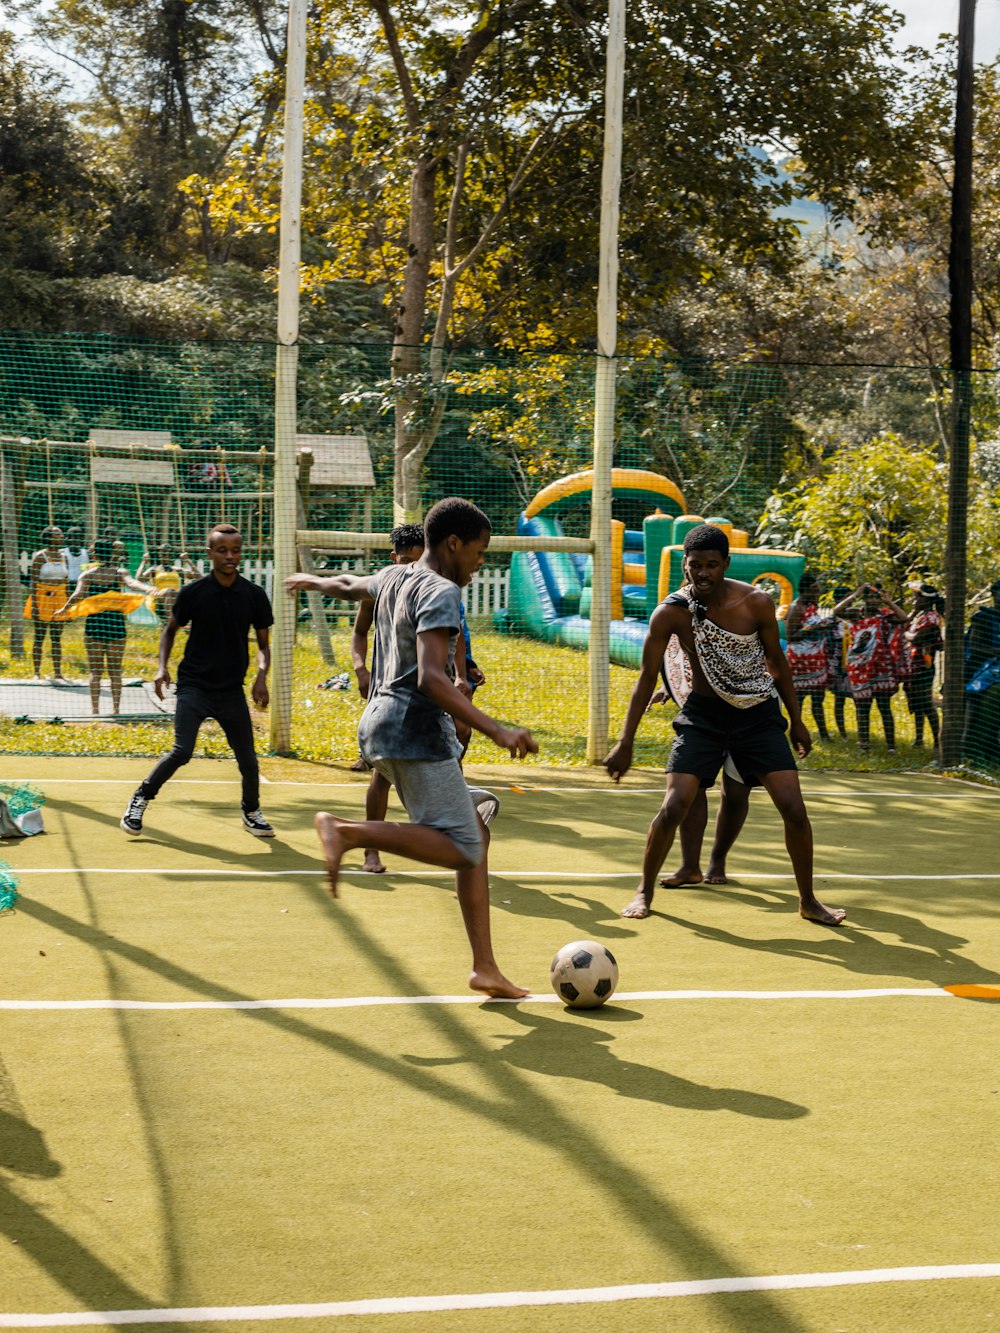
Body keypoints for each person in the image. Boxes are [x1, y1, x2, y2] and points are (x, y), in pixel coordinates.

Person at [285, 496, 536, 999]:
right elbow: (429, 678)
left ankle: (485, 967)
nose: (481, 563)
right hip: (414, 729)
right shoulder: (442, 591)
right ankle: (347, 831)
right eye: (480, 552)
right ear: (454, 543)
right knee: (463, 846)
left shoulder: (392, 577)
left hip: (376, 725)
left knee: (477, 826)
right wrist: (496, 729)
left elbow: (347, 585)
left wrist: (312, 582)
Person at [603, 523, 844, 927]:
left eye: (712, 565)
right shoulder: (671, 613)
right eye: (695, 565)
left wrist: (797, 721)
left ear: (726, 564)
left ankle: (808, 900)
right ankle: (643, 890)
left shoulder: (756, 603)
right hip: (703, 717)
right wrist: (625, 741)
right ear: (684, 564)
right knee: (675, 804)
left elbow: (777, 663)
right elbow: (647, 675)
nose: (703, 573)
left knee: (794, 808)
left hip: (758, 715)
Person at [119, 524, 275, 837]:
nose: (230, 556)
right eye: (222, 550)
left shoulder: (253, 595)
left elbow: (263, 645)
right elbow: (169, 632)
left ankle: (252, 811)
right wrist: (162, 668)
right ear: (210, 553)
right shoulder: (194, 593)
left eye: (235, 550)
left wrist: (261, 677)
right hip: (194, 686)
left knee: (248, 760)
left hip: (231, 690)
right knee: (182, 751)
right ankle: (140, 798)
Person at [349, 523, 426, 872]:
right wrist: (361, 669)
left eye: (419, 561)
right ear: (393, 558)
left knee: (450, 757)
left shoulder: (432, 589)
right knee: (382, 774)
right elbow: (359, 633)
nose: (412, 568)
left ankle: (453, 840)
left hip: (426, 697)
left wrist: (465, 669)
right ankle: (370, 850)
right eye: (406, 560)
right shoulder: (376, 591)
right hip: (388, 694)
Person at [54, 538, 151, 715]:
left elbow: (77, 595)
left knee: (95, 671)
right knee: (115, 671)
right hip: (115, 624)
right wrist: (149, 589)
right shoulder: (119, 572)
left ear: (95, 554)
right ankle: (116, 710)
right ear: (113, 553)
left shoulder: (88, 574)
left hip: (95, 625)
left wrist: (64, 609)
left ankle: (95, 711)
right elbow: (132, 584)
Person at [835, 583, 908, 752]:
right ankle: (864, 745)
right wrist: (856, 593)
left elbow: (903, 618)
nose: (874, 601)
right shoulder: (857, 614)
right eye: (870, 597)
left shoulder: (884, 616)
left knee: (884, 706)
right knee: (862, 706)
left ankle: (891, 746)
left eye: (877, 597)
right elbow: (837, 611)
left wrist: (889, 602)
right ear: (865, 598)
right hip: (860, 666)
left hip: (881, 666)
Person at [784, 572, 831, 741]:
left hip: (815, 659)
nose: (818, 590)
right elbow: (791, 636)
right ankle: (796, 731)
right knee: (799, 698)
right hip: (800, 661)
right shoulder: (796, 608)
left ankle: (824, 734)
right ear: (807, 590)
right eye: (815, 588)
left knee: (818, 698)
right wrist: (813, 628)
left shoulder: (812, 606)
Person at [25, 526, 70, 682]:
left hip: (60, 598)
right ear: (49, 537)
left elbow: (67, 581)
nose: (61, 537)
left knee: (56, 637)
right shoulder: (40, 556)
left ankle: (58, 672)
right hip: (43, 597)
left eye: (61, 535)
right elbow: (33, 581)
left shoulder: (65, 556)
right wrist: (35, 605)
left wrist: (69, 605)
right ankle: (36, 672)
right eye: (57, 535)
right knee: (40, 636)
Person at [903, 581, 944, 751]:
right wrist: (912, 616)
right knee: (916, 704)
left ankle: (937, 741)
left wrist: (906, 634)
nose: (913, 602)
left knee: (926, 703)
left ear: (925, 600)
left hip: (924, 666)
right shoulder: (919, 616)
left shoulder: (932, 617)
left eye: (916, 599)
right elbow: (906, 626)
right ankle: (919, 738)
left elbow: (916, 638)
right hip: (912, 665)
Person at [964, 578, 1000, 763]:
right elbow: (975, 647)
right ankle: (966, 740)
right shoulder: (983, 617)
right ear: (994, 595)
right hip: (986, 665)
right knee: (973, 694)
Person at [136, 544, 199, 622]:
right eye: (163, 553)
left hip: (175, 597)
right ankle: (171, 621)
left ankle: (175, 621)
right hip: (160, 598)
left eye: (167, 554)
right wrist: (143, 562)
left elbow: (198, 576)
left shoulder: (177, 570)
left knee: (177, 593)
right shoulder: (154, 569)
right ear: (159, 555)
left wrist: (188, 560)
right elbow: (138, 579)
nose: (165, 556)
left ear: (171, 556)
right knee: (170, 591)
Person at [828, 585, 855, 739]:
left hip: (855, 664)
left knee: (859, 699)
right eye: (847, 598)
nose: (851, 601)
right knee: (840, 699)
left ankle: (862, 730)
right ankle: (842, 732)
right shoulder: (833, 619)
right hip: (838, 665)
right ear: (838, 599)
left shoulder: (856, 617)